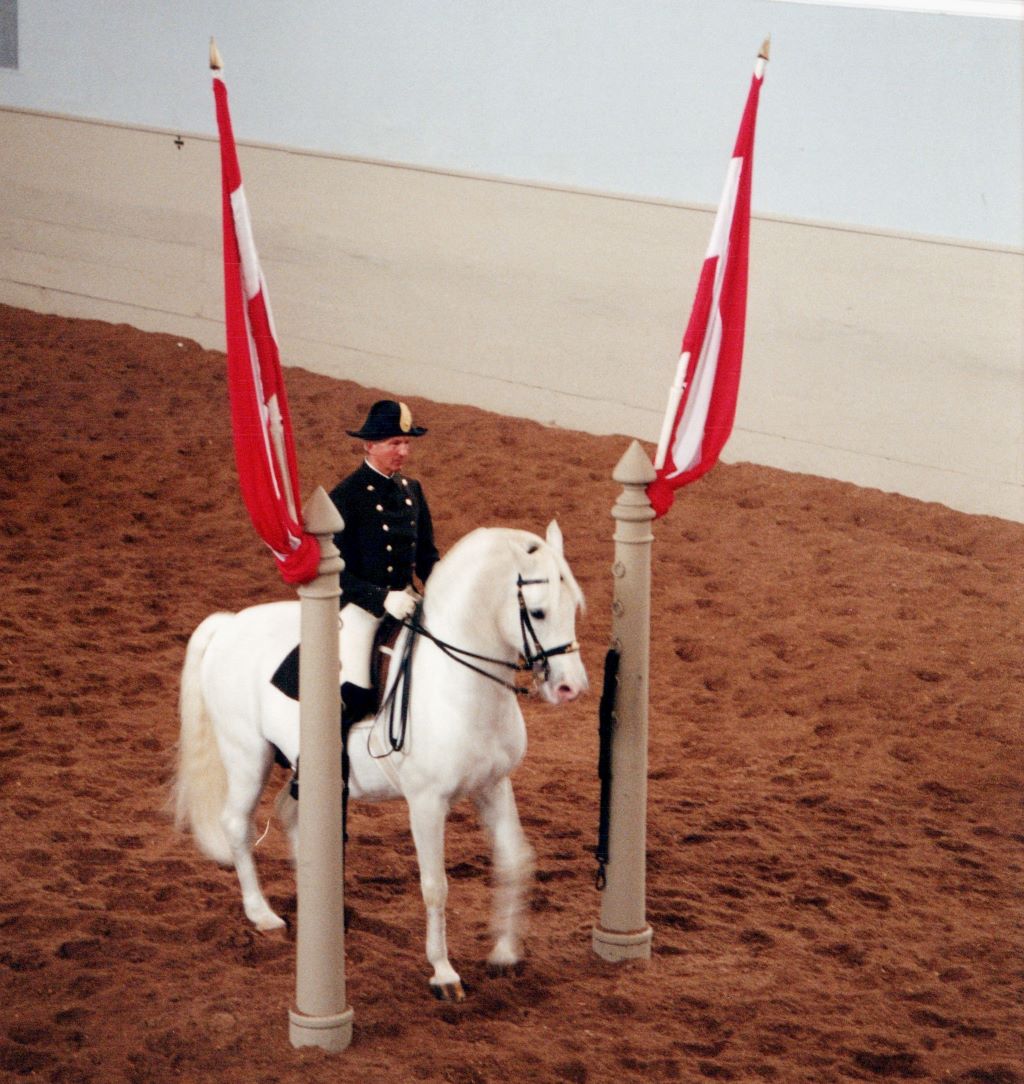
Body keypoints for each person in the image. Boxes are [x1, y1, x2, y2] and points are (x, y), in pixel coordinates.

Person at [329, 399, 439, 724]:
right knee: (357, 690)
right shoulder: (347, 496)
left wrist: (442, 588)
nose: (403, 451)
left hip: (407, 601)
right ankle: (329, 752)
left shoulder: (412, 490)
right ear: (370, 445)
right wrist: (381, 598)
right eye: (395, 443)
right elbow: (334, 571)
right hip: (362, 608)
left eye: (406, 443)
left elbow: (426, 556)